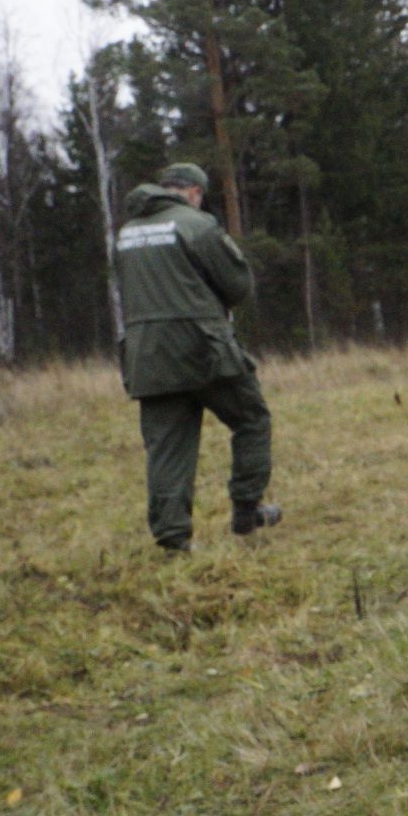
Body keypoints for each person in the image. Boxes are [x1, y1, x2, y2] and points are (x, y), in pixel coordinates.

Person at [115, 163, 281, 553]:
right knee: (252, 418)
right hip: (204, 351)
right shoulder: (197, 225)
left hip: (148, 357)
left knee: (167, 448)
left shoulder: (125, 234)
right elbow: (238, 285)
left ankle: (173, 541)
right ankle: (247, 509)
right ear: (193, 192)